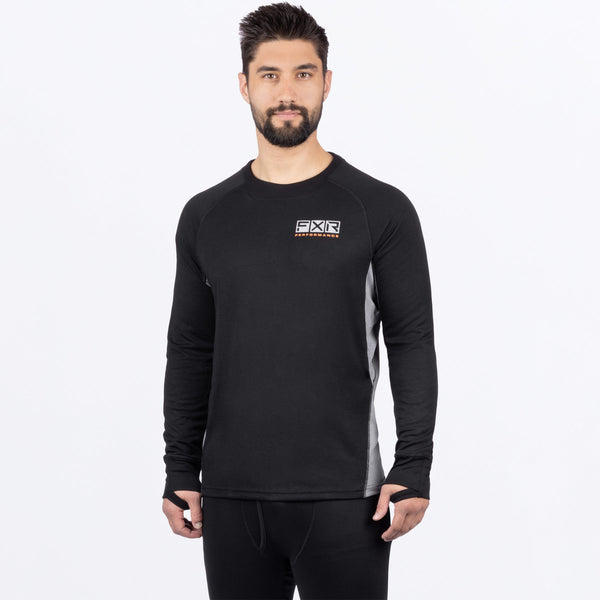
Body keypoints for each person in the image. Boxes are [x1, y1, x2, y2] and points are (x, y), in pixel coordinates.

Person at [161, 3, 438, 598]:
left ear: (327, 82)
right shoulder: (206, 216)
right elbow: (190, 347)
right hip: (231, 499)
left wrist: (413, 465)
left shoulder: (378, 210)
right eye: (270, 75)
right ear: (244, 85)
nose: (287, 92)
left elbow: (411, 341)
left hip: (347, 499)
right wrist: (180, 467)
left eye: (303, 74)